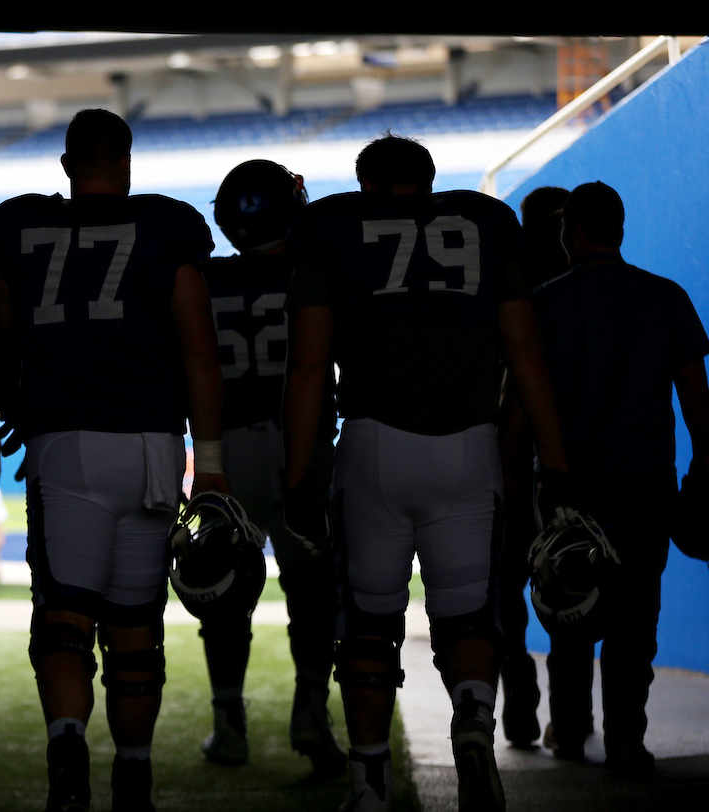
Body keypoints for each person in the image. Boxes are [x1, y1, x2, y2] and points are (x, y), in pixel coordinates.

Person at [282, 134, 573, 812]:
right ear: (430, 178)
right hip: (469, 450)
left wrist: (298, 475)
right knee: (469, 616)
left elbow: (306, 371)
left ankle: (370, 781)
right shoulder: (485, 223)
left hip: (374, 447)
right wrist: (556, 470)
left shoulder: (333, 227)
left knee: (368, 624)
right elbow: (527, 359)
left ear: (365, 186)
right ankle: (473, 721)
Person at [0, 108, 227, 812]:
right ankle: (135, 773)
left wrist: (16, 400)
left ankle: (67, 749)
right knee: (135, 626)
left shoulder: (20, 226)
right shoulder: (165, 226)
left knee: (63, 617)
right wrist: (207, 463)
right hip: (153, 447)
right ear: (127, 160)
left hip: (66, 446)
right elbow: (199, 351)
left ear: (66, 165)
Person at [528, 181, 709, 777]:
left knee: (569, 609)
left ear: (573, 231)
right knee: (637, 618)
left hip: (567, 489)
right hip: (645, 487)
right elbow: (695, 398)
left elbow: (527, 404)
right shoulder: (667, 297)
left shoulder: (546, 302)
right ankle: (627, 739)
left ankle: (571, 729)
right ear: (620, 228)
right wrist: (704, 467)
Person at [195, 159, 345, 777]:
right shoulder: (316, 272)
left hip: (227, 449)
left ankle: (229, 724)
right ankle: (311, 707)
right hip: (300, 443)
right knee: (313, 585)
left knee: (226, 587)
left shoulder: (202, 279)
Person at [498, 185, 571, 748]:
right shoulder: (578, 291)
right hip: (566, 467)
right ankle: (568, 724)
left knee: (504, 603)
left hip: (510, 466)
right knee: (569, 596)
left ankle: (521, 709)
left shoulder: (508, 283)